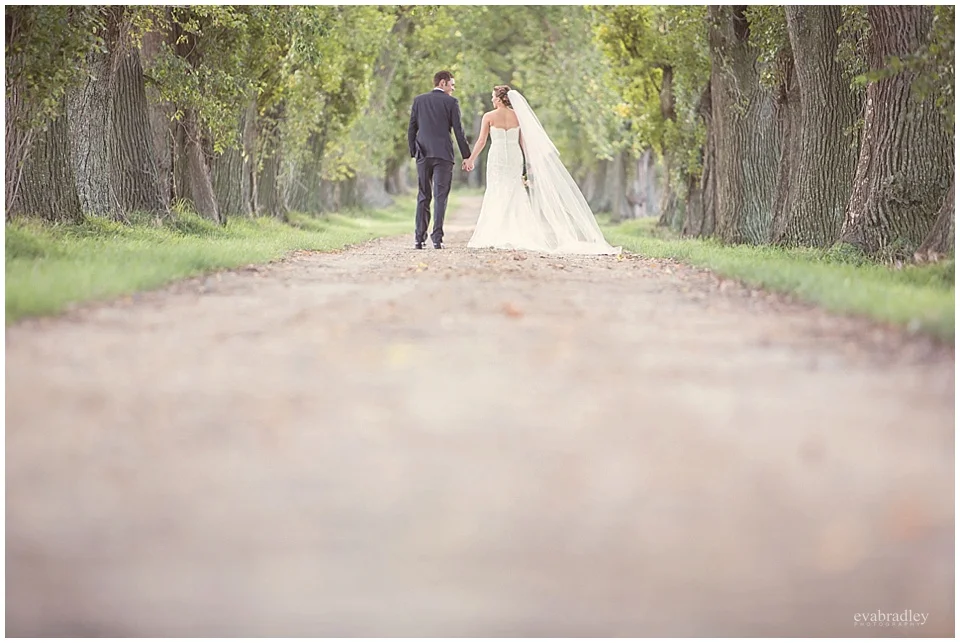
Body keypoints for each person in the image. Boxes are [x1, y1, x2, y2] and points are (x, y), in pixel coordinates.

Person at [464, 85, 620, 255]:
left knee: (496, 190)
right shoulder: (518, 116)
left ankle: (493, 233)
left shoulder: (489, 116)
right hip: (516, 157)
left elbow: (481, 141)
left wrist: (471, 159)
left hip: (498, 158)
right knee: (515, 191)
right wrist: (529, 163)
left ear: (500, 99)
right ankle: (516, 233)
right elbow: (523, 142)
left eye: (494, 96)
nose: (492, 99)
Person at [407, 70, 472, 249]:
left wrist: (414, 151)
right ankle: (437, 238)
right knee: (440, 197)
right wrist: (467, 156)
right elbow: (459, 131)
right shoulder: (451, 102)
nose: (453, 88)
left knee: (423, 195)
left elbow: (412, 128)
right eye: (452, 84)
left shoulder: (419, 100)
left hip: (423, 154)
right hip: (443, 155)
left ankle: (419, 239)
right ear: (442, 83)